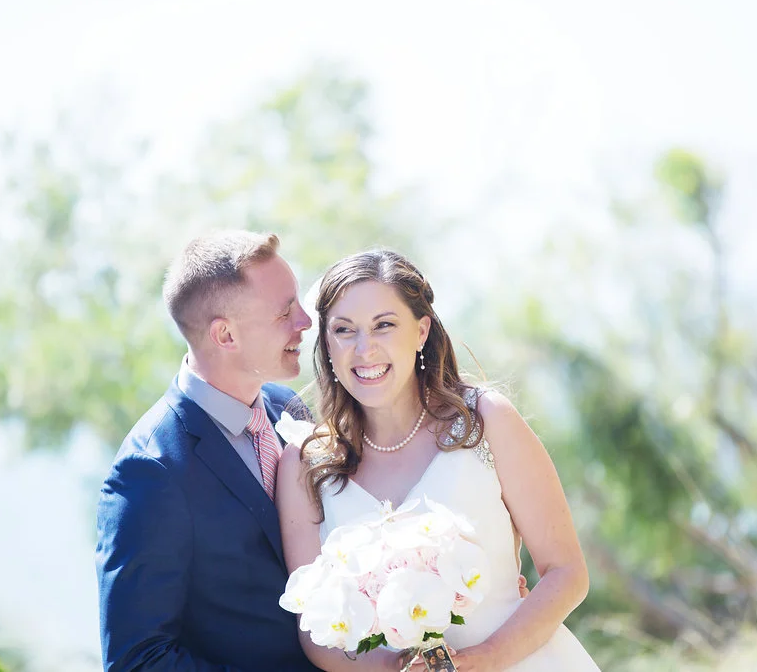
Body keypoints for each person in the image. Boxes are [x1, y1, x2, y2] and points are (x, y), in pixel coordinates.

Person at [276, 250, 602, 671]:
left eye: (384, 325)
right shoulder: (305, 464)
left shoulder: (486, 420)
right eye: (344, 330)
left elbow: (566, 572)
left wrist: (485, 659)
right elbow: (313, 628)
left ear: (421, 330)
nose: (364, 348)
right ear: (327, 344)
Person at [95, 230, 322, 671]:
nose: (305, 322)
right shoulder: (151, 469)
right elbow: (137, 661)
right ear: (225, 335)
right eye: (284, 312)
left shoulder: (287, 408)